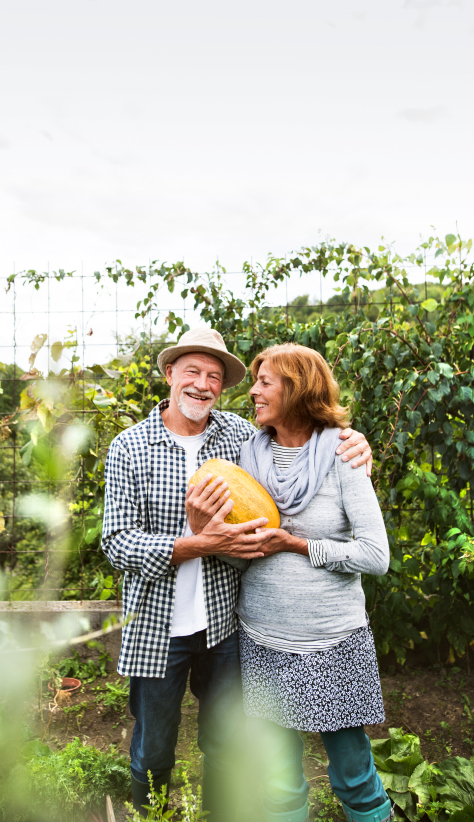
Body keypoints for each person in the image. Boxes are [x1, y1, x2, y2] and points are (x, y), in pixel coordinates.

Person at [101, 328, 373, 820]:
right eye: (192, 372)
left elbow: (304, 435)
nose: (203, 385)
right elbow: (116, 544)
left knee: (226, 746)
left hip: (226, 626)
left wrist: (354, 443)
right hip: (156, 628)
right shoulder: (130, 447)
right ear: (169, 374)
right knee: (153, 752)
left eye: (214, 377)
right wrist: (194, 544)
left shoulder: (242, 437)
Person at [190, 342, 392, 822]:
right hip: (262, 640)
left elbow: (375, 555)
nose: (253, 391)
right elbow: (246, 556)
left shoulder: (344, 453)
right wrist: (210, 537)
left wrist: (297, 545)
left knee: (353, 776)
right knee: (280, 783)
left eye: (265, 382)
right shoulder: (248, 456)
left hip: (331, 643)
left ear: (297, 389)